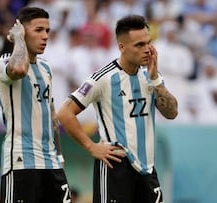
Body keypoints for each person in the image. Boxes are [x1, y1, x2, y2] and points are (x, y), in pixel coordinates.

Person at [57, 15, 178, 203]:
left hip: (147, 169)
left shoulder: (151, 75)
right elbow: (65, 112)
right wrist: (91, 147)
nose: (147, 49)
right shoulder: (102, 79)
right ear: (122, 47)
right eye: (139, 45)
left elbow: (172, 113)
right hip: (116, 167)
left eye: (148, 43)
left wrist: (156, 81)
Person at [0, 7, 71, 203]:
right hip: (22, 161)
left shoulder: (45, 68)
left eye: (47, 31)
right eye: (38, 30)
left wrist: (59, 157)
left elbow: (51, 116)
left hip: (52, 164)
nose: (45, 36)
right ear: (22, 30)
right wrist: (18, 39)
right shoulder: (4, 64)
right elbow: (19, 68)